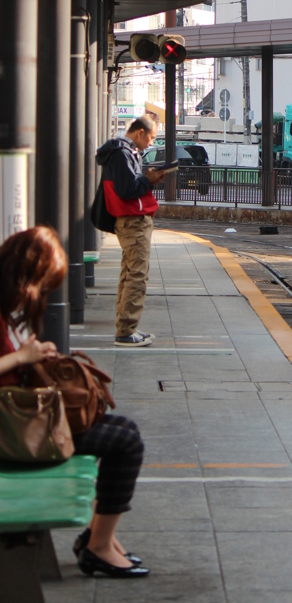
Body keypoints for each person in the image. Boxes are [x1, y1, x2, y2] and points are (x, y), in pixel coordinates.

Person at [0, 226, 148, 577]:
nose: (41, 295)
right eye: (43, 285)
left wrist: (33, 356)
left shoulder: (7, 312)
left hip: (19, 421)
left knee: (123, 431)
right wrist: (22, 358)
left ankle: (101, 538)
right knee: (125, 442)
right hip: (11, 432)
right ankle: (98, 545)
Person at [96, 116, 171, 347]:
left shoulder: (123, 152)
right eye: (150, 138)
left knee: (129, 273)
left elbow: (128, 184)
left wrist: (148, 178)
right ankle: (125, 331)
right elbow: (127, 189)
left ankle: (126, 328)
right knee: (137, 275)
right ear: (139, 132)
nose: (150, 143)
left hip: (130, 221)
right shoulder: (122, 154)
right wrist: (148, 180)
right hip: (132, 221)